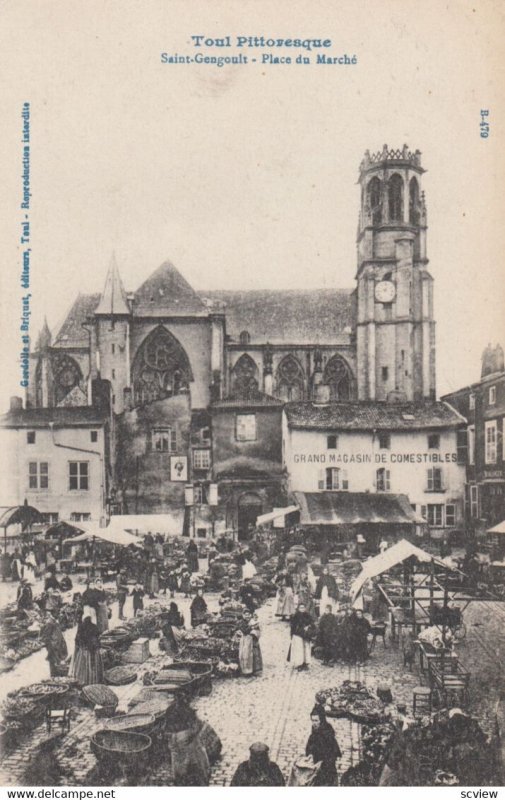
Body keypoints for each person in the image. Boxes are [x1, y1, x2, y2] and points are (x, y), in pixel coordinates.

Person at [305, 704, 342, 786]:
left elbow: (331, 756)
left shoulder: (327, 734)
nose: (314, 723)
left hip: (327, 770)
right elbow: (311, 743)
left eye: (316, 720)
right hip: (317, 766)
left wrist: (321, 763)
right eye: (312, 720)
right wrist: (310, 754)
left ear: (321, 720)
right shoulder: (315, 730)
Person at [70, 610, 104, 685]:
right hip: (94, 651)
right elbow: (98, 638)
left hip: (85, 651)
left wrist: (78, 648)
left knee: (84, 667)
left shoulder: (81, 627)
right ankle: (94, 680)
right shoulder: (94, 627)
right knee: (93, 666)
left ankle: (85, 681)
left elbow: (77, 640)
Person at [40, 611, 68, 676]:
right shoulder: (49, 623)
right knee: (53, 661)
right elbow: (46, 636)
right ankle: (53, 675)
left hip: (58, 645)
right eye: (57, 613)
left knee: (58, 660)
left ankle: (56, 675)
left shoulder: (54, 621)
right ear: (53, 614)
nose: (58, 614)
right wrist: (50, 645)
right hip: (53, 646)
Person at [289, 602, 314, 671]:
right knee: (299, 649)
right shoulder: (295, 616)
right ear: (298, 608)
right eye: (301, 608)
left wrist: (308, 626)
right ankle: (299, 664)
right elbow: (293, 626)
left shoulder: (307, 615)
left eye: (303, 608)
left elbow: (312, 623)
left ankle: (305, 663)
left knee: (306, 648)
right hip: (298, 635)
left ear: (305, 608)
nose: (302, 609)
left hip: (306, 635)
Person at [237, 609, 262, 676]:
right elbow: (245, 631)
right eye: (246, 615)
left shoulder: (252, 621)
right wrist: (252, 627)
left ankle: (255, 670)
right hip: (246, 641)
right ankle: (247, 671)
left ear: (251, 615)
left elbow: (258, 629)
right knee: (246, 655)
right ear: (243, 615)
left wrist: (255, 629)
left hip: (253, 640)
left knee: (254, 654)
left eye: (248, 615)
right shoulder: (241, 622)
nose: (247, 616)